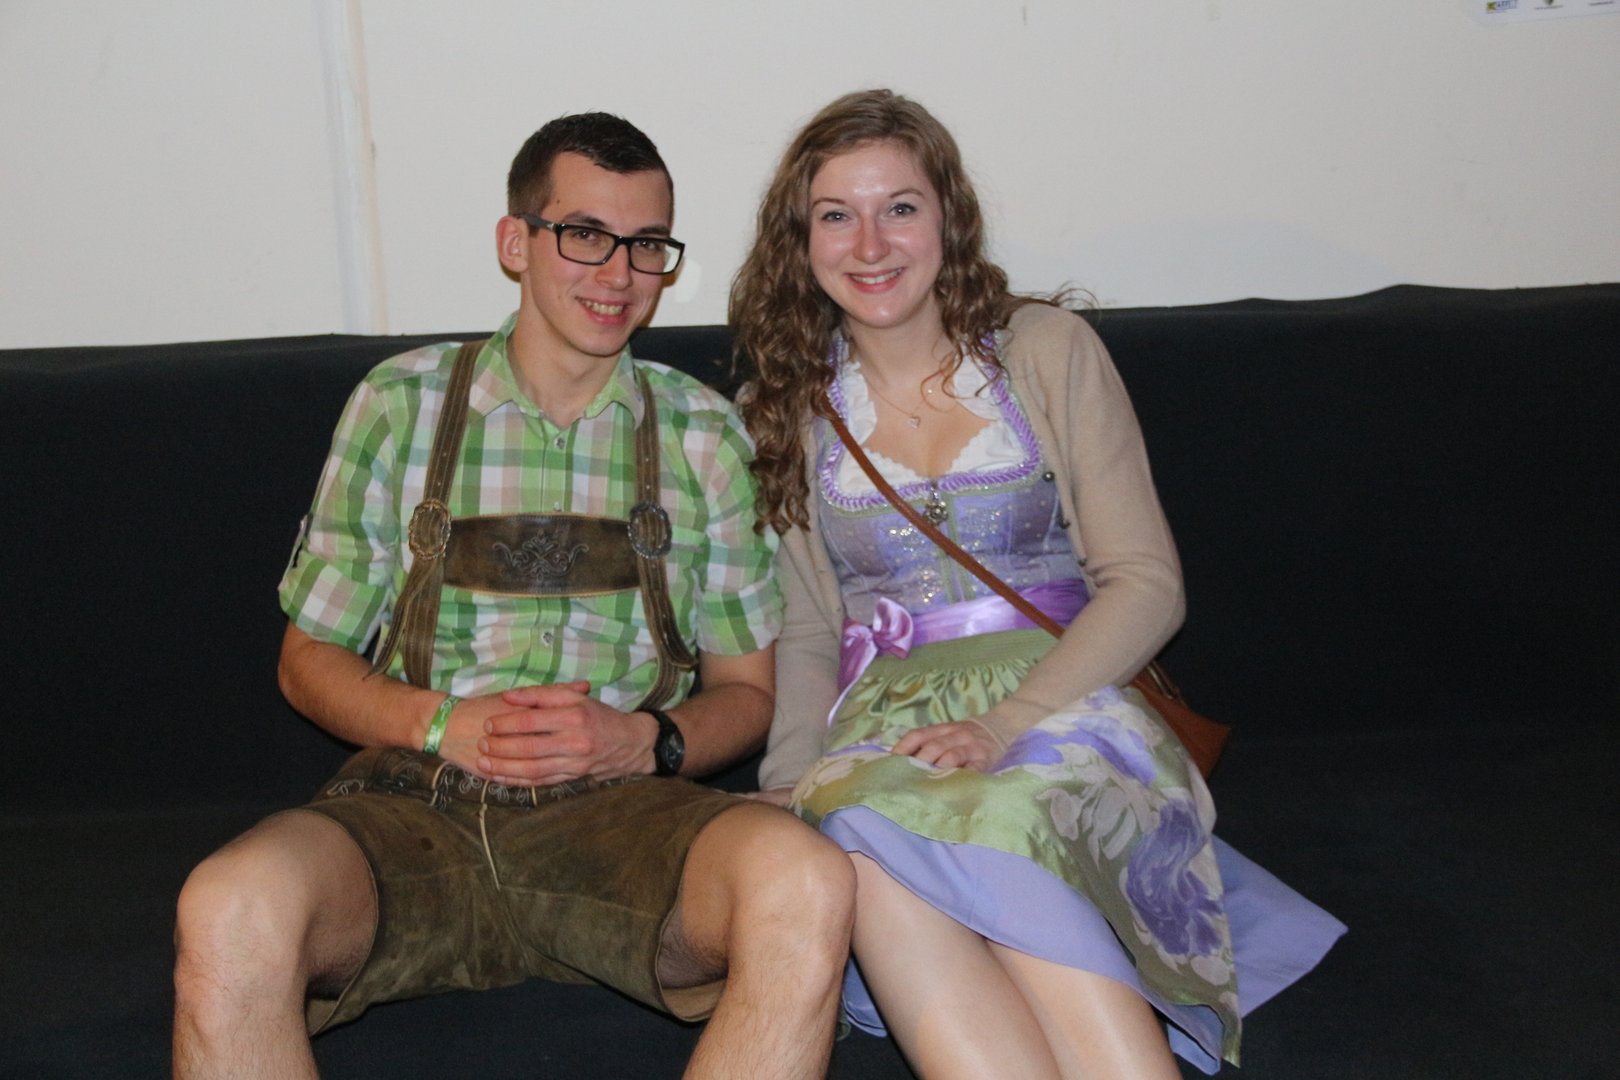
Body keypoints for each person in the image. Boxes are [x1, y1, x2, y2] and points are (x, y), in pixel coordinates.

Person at [172, 113, 855, 1080]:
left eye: (647, 244)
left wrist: (645, 740)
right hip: (411, 809)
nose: (618, 273)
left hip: (623, 822)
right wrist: (440, 722)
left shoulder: (705, 434)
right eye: (584, 234)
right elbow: (306, 661)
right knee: (226, 904)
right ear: (515, 242)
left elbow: (747, 693)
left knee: (808, 877)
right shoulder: (398, 404)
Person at [730, 89, 1345, 1079]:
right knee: (856, 838)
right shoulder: (782, 408)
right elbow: (809, 631)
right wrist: (787, 783)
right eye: (836, 215)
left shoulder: (1045, 351)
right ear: (800, 242)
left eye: (900, 207)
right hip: (883, 726)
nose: (870, 244)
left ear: (950, 218)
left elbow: (1148, 584)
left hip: (1067, 700)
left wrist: (1005, 722)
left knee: (999, 810)